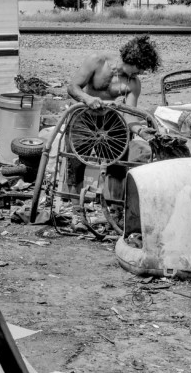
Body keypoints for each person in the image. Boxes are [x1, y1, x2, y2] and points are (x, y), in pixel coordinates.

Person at [64, 34, 161, 231]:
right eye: (140, 68)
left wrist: (142, 131)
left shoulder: (133, 84)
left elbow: (130, 116)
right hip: (85, 117)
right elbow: (72, 87)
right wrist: (87, 99)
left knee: (117, 167)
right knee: (75, 165)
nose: (141, 73)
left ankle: (115, 214)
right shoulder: (97, 61)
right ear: (132, 60)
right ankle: (77, 214)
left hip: (112, 123)